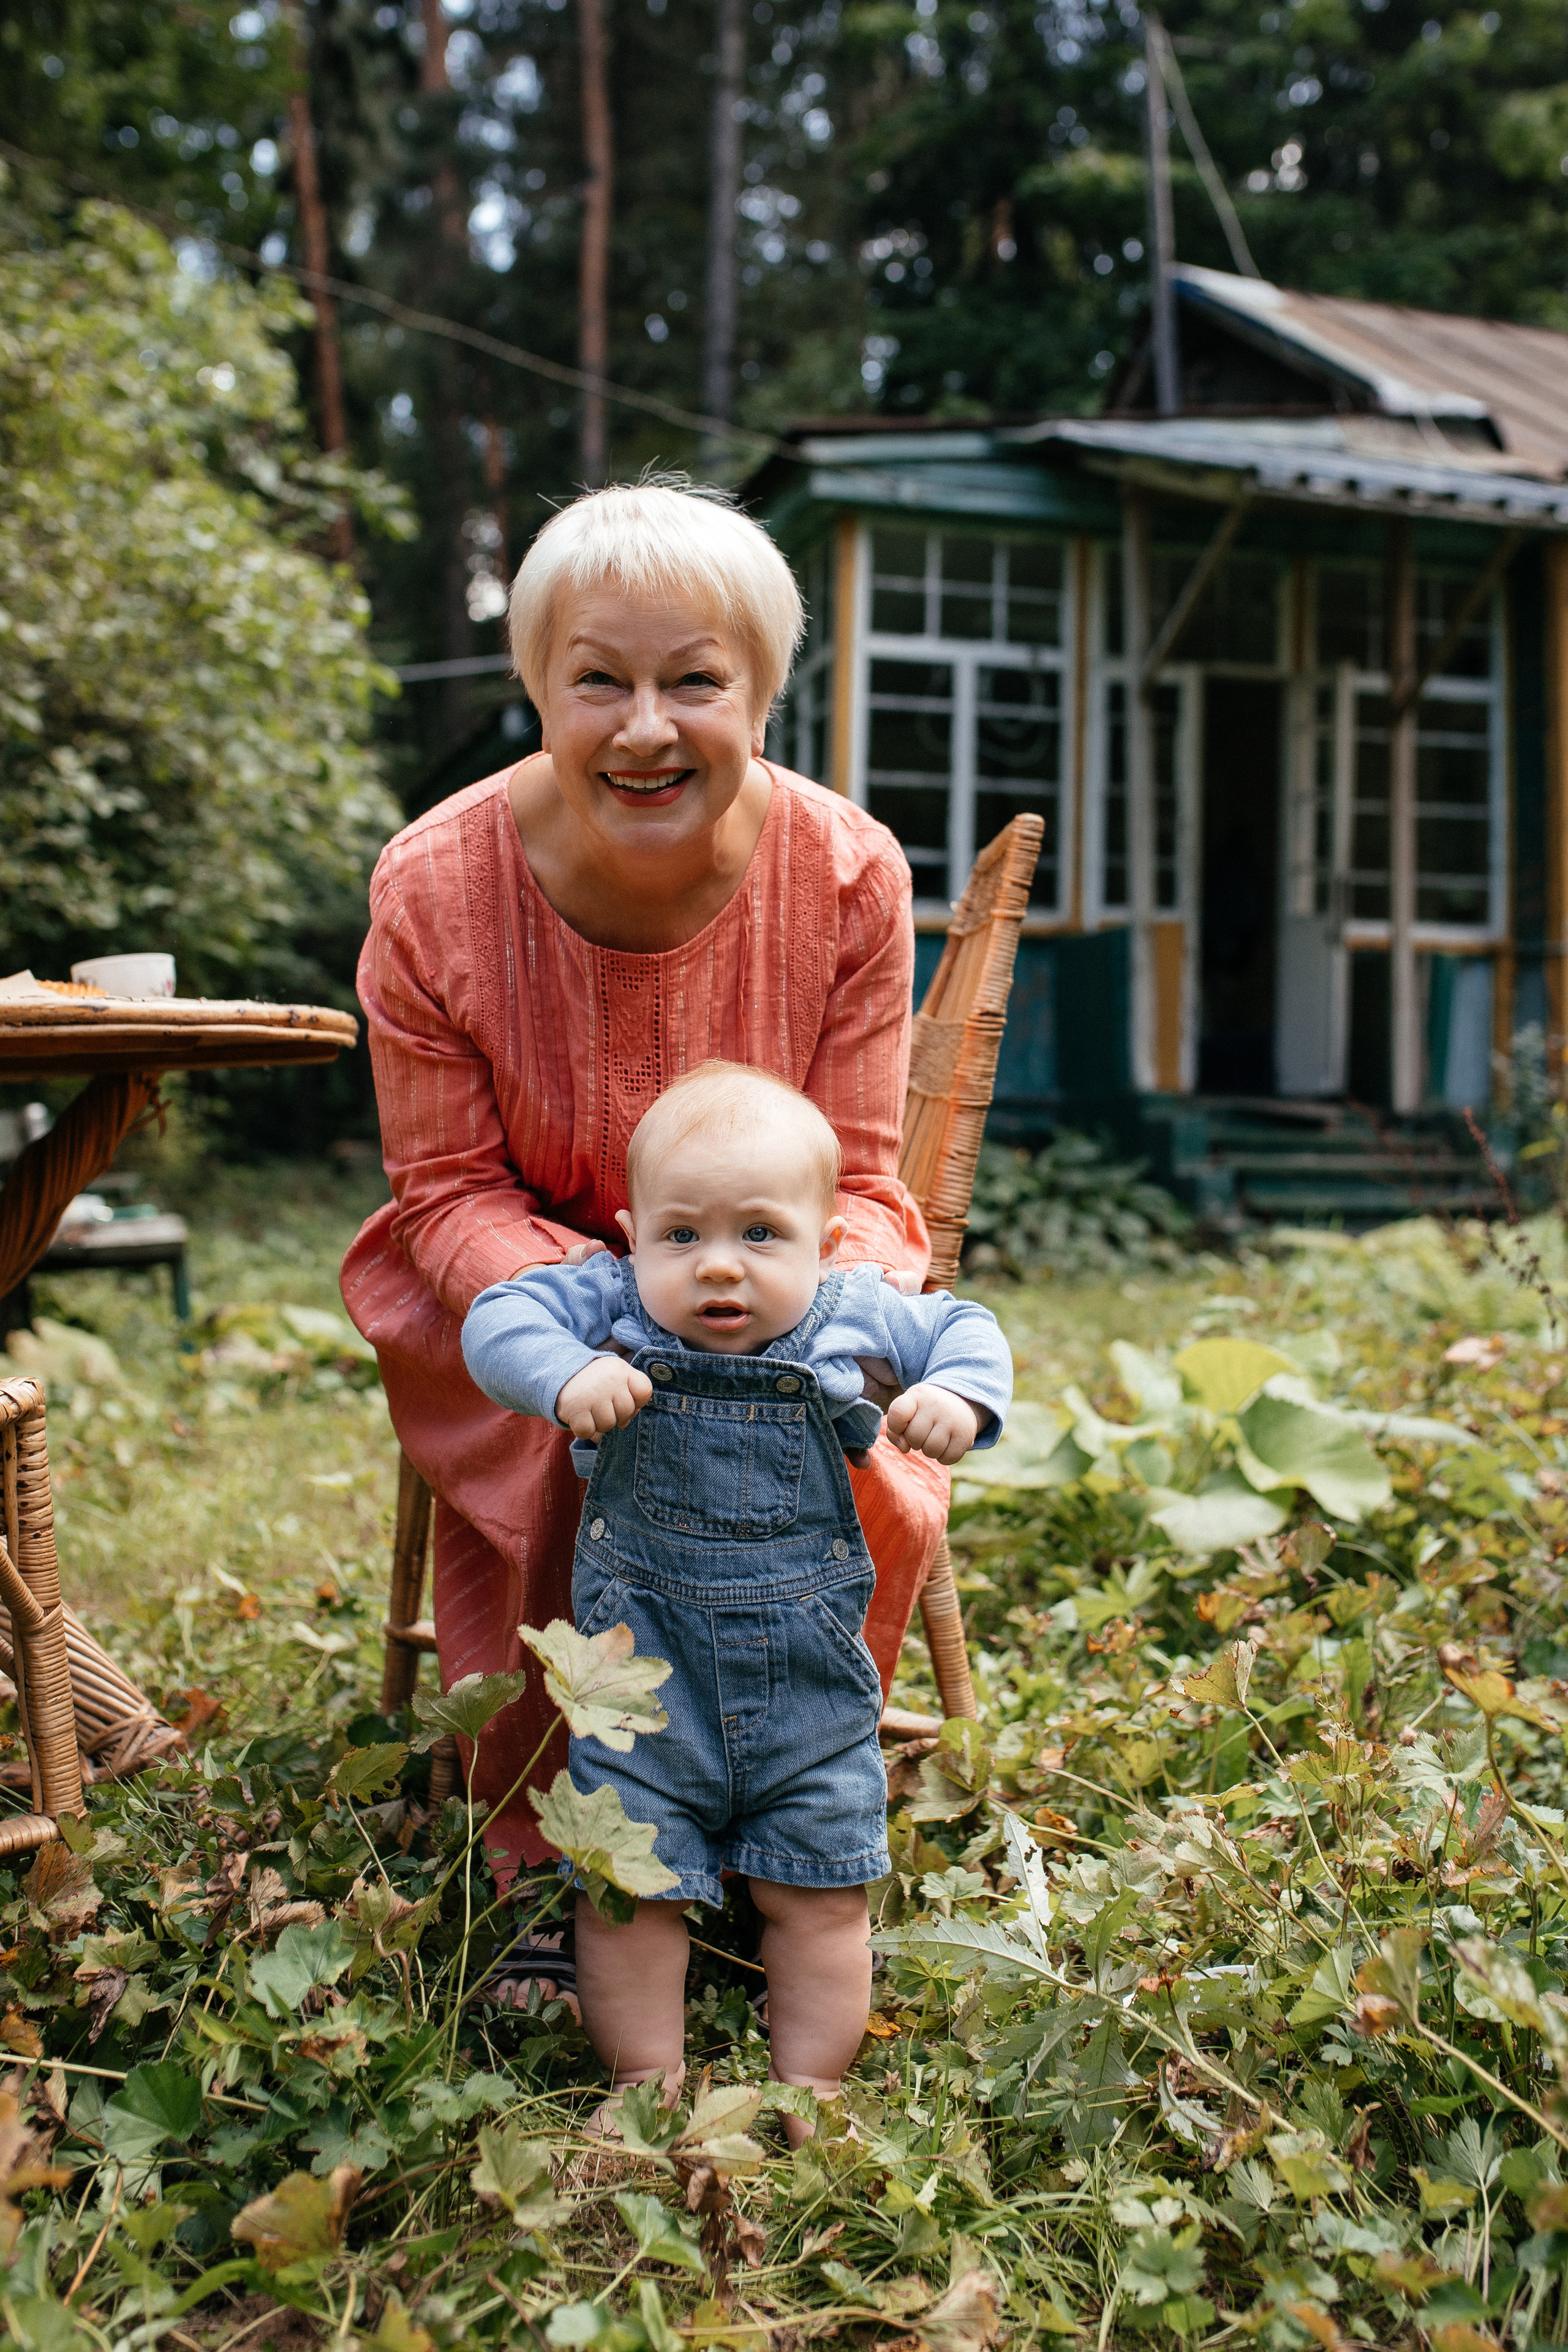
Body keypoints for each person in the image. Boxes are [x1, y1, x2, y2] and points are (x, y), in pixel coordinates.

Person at [341, 475, 952, 2005]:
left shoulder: (846, 875)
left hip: (768, 1270)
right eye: (596, 678)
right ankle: (570, 1856)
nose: (643, 727)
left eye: (696, 680)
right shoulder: (432, 885)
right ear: (536, 685)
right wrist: (585, 1325)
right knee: (586, 1441)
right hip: (521, 1275)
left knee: (838, 1451)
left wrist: (815, 1316)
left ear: (760, 691)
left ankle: (781, 1818)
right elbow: (441, 1187)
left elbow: (864, 1181)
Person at [461, 1062, 1012, 2132]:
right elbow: (497, 1317)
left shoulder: (853, 1313)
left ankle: (813, 2086)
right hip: (637, 1692)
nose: (719, 1267)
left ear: (825, 1239)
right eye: (682, 1236)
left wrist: (956, 1392)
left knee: (821, 1900)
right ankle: (644, 2085)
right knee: (626, 1896)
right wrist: (565, 1379)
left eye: (760, 1235)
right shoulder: (613, 1305)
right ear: (632, 1235)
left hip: (808, 1693)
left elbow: (968, 1327)